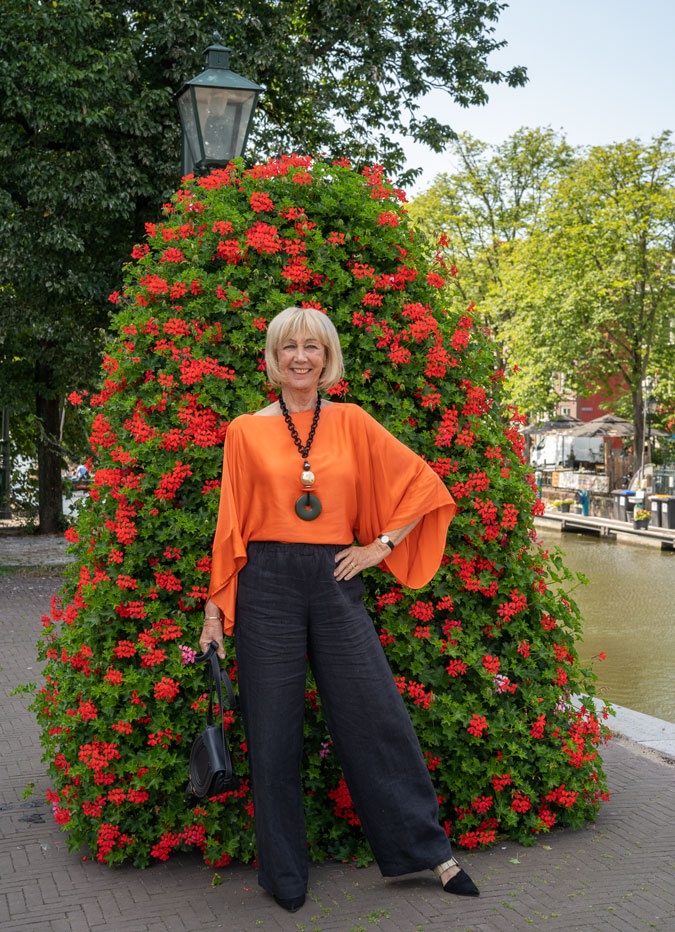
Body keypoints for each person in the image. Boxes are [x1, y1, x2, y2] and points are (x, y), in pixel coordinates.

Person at [200, 306, 479, 913]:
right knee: (271, 735)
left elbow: (424, 484)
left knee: (375, 715)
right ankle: (284, 875)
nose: (302, 357)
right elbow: (230, 528)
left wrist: (380, 547)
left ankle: (433, 855)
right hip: (265, 583)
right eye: (290, 346)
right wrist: (215, 616)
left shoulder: (351, 422)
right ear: (273, 358)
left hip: (333, 579)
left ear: (327, 358)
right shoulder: (244, 432)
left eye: (314, 347)